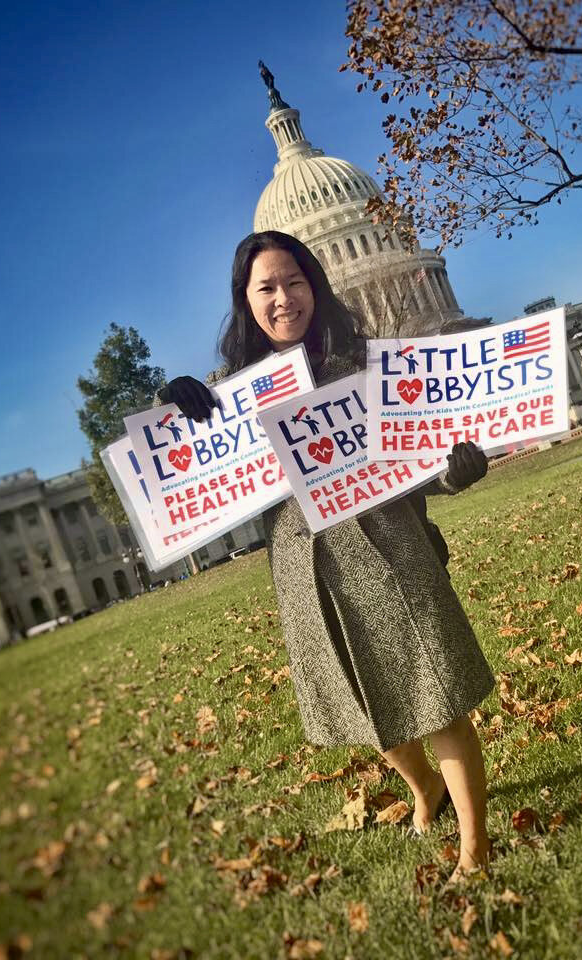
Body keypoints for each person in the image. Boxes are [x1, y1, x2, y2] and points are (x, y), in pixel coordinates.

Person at [159, 231, 494, 883]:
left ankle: (475, 850)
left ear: (315, 285)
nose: (283, 298)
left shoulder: (364, 364)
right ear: (245, 301)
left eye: (294, 282)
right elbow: (176, 471)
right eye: (266, 288)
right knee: (369, 709)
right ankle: (424, 786)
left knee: (441, 697)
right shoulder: (227, 393)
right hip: (311, 572)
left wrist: (457, 471)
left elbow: (422, 459)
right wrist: (172, 403)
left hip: (394, 552)